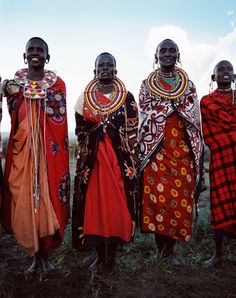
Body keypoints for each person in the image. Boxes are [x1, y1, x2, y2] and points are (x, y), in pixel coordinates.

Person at [1, 37, 70, 273]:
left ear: (47, 57)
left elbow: (58, 120)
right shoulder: (15, 86)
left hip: (49, 157)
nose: (35, 53)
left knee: (47, 201)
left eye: (40, 50)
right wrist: (11, 93)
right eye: (31, 49)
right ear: (24, 55)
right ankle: (33, 256)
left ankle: (47, 256)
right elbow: (14, 116)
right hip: (24, 153)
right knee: (26, 202)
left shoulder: (57, 84)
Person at [138, 39, 205, 265]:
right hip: (156, 152)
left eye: (172, 51)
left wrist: (170, 105)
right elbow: (146, 114)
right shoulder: (146, 85)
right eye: (163, 51)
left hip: (182, 153)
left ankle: (172, 252)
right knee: (159, 201)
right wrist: (172, 105)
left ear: (178, 55)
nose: (168, 54)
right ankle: (162, 252)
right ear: (156, 56)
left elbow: (194, 116)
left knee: (179, 202)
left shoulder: (190, 85)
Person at [72, 52, 138, 272]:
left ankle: (113, 256)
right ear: (95, 70)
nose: (106, 68)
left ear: (116, 70)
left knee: (118, 205)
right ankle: (99, 256)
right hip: (94, 162)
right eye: (102, 65)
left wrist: (111, 130)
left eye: (110, 65)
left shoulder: (127, 98)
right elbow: (80, 130)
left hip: (119, 161)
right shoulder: (84, 98)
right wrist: (97, 131)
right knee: (95, 206)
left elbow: (132, 129)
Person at [201, 60, 236, 268]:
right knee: (219, 205)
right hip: (221, 159)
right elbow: (209, 134)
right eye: (220, 70)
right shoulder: (206, 101)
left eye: (228, 70)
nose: (225, 72)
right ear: (213, 78)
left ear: (234, 76)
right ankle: (218, 255)